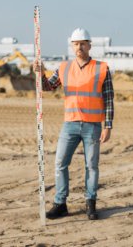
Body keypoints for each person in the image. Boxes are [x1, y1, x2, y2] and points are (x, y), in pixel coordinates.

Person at [33, 28, 114, 220]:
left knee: (91, 166)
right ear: (72, 46)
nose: (80, 47)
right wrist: (40, 72)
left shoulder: (102, 68)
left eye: (83, 43)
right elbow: (47, 87)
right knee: (60, 163)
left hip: (93, 125)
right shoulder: (64, 68)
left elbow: (109, 98)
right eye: (76, 44)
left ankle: (90, 204)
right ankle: (60, 204)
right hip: (69, 124)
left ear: (89, 45)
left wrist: (108, 126)